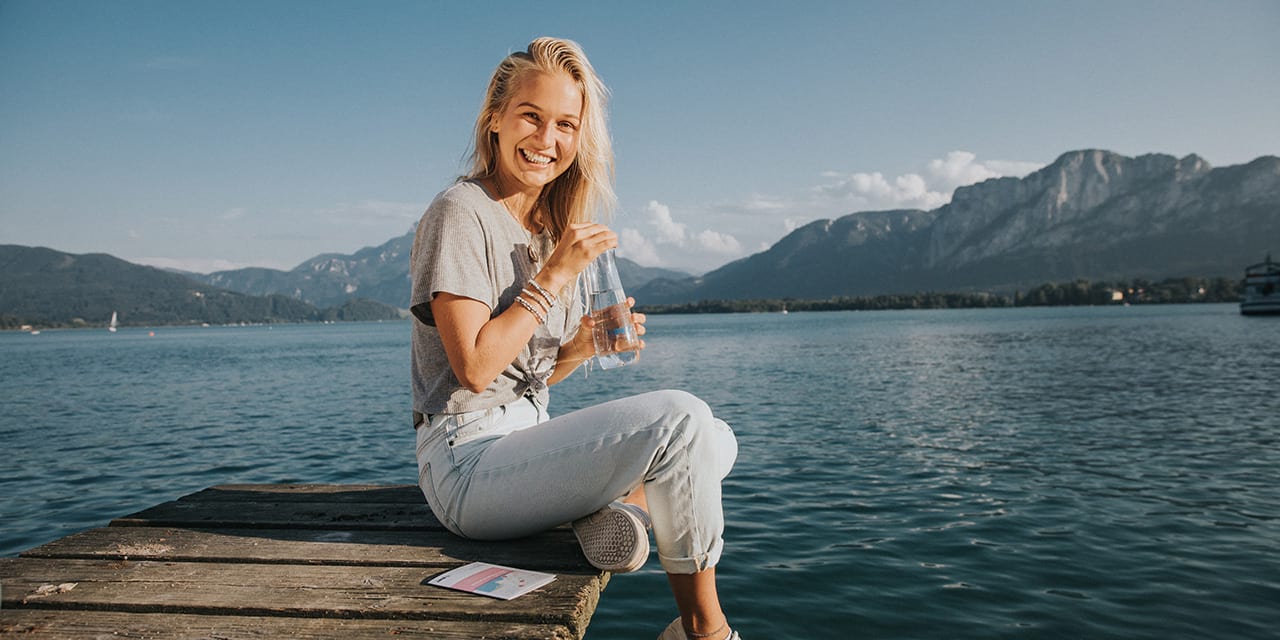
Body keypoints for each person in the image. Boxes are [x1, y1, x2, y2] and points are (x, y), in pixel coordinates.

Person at [409, 37, 741, 640]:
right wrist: (555, 274)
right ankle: (705, 630)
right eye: (531, 117)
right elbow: (476, 371)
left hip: (527, 441)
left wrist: (581, 347)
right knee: (684, 419)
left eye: (565, 124)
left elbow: (526, 378)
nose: (547, 139)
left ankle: (627, 516)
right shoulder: (460, 211)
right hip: (466, 466)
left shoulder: (545, 228)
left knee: (717, 438)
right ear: (494, 121)